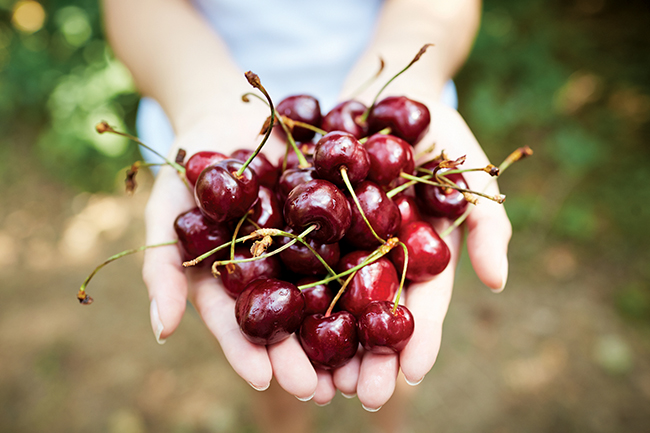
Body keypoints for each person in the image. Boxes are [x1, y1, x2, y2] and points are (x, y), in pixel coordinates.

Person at [103, 0, 511, 413]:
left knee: (393, 367)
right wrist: (201, 104)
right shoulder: (268, 198)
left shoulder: (365, 190)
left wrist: (417, 74)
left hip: (367, 94)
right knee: (274, 380)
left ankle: (391, 421)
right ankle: (284, 421)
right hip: (206, 99)